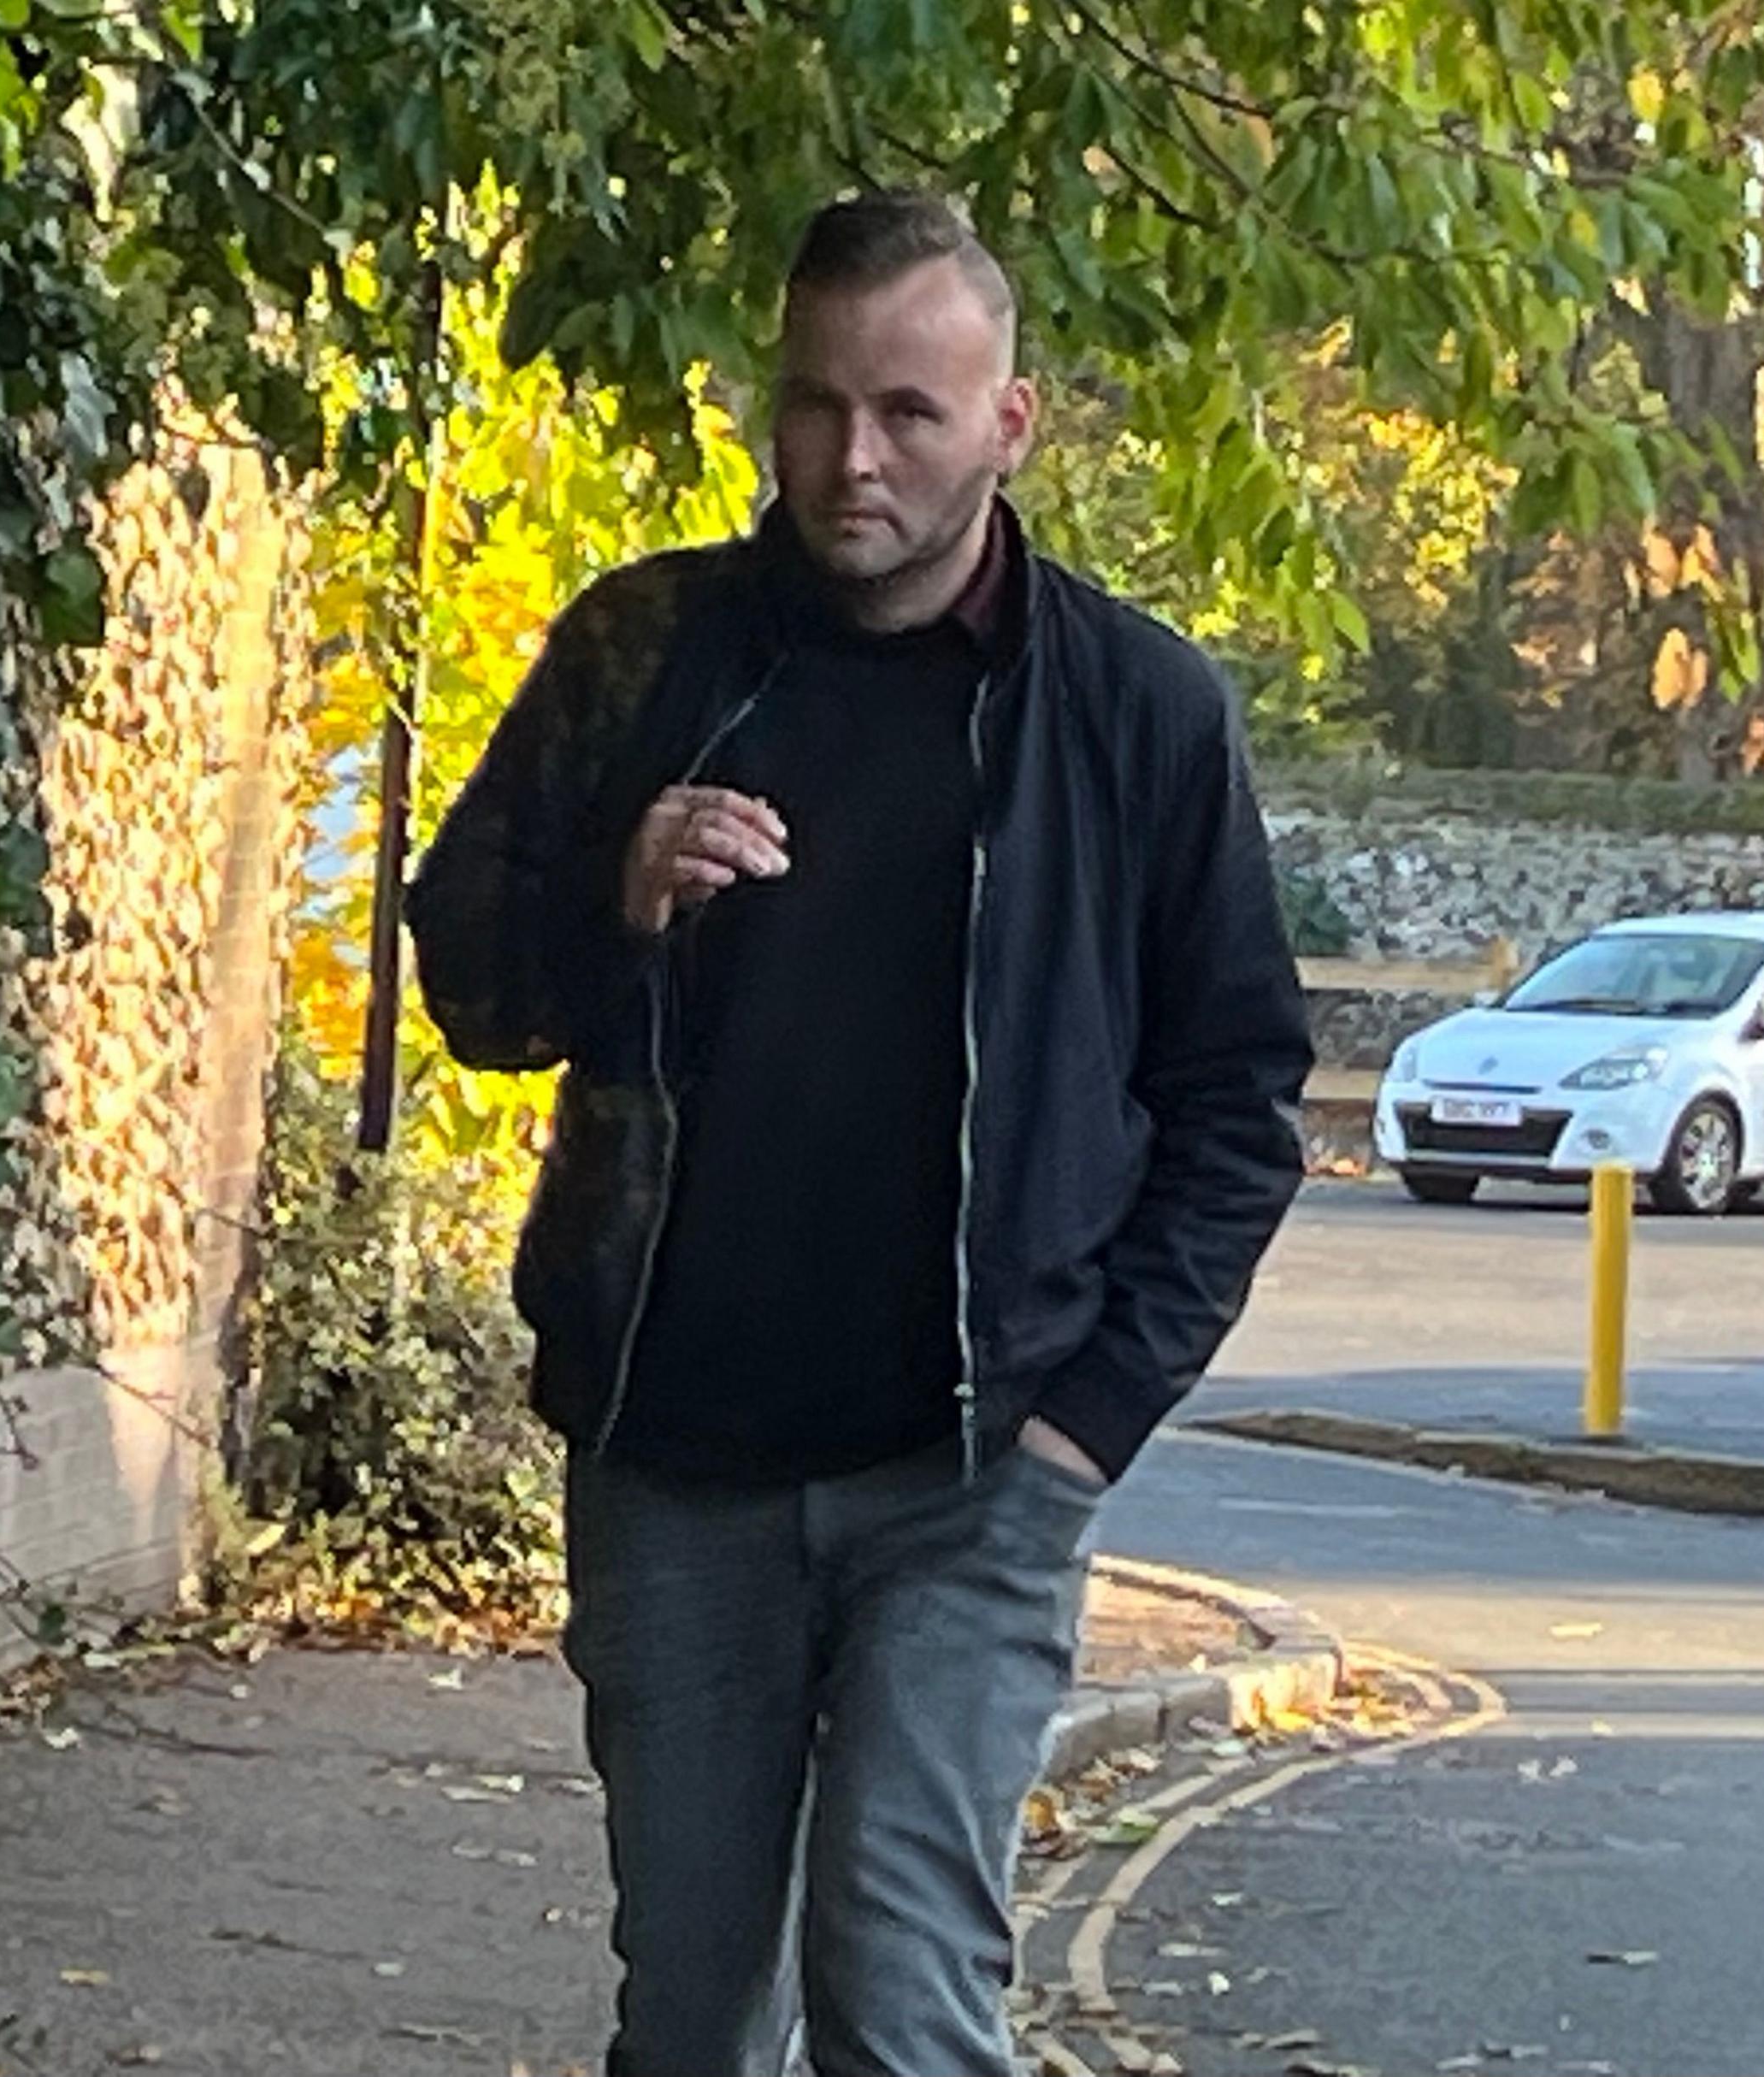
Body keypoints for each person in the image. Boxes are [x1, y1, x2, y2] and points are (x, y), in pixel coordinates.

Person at [404, 190, 1313, 2077]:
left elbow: (1236, 1100)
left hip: (974, 1473)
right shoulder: (643, 650)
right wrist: (616, 890)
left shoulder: (1135, 710)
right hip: (677, 1459)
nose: (852, 459)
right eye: (815, 406)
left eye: (907, 411)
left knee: (902, 1999)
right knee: (691, 2012)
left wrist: (1086, 1428)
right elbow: (475, 988)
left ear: (1008, 421)